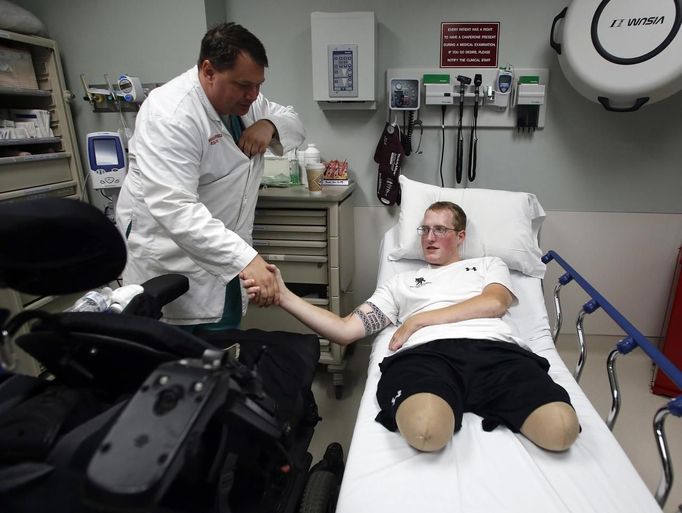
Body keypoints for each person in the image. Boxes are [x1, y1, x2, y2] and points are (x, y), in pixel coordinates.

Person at [243, 201, 580, 452]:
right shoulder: (400, 283)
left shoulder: (488, 265)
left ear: (460, 236)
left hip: (496, 352)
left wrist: (419, 319)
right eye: (424, 229)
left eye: (440, 230)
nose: (429, 237)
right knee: (427, 430)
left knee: (560, 429)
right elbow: (345, 331)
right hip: (428, 356)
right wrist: (284, 296)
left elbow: (494, 304)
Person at [116, 22, 304, 332]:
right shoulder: (171, 114)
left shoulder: (248, 102)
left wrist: (268, 123)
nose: (253, 95)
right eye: (244, 84)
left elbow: (293, 121)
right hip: (174, 261)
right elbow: (175, 207)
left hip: (225, 252)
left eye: (259, 84)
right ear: (208, 70)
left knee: (222, 347)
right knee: (176, 356)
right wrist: (247, 260)